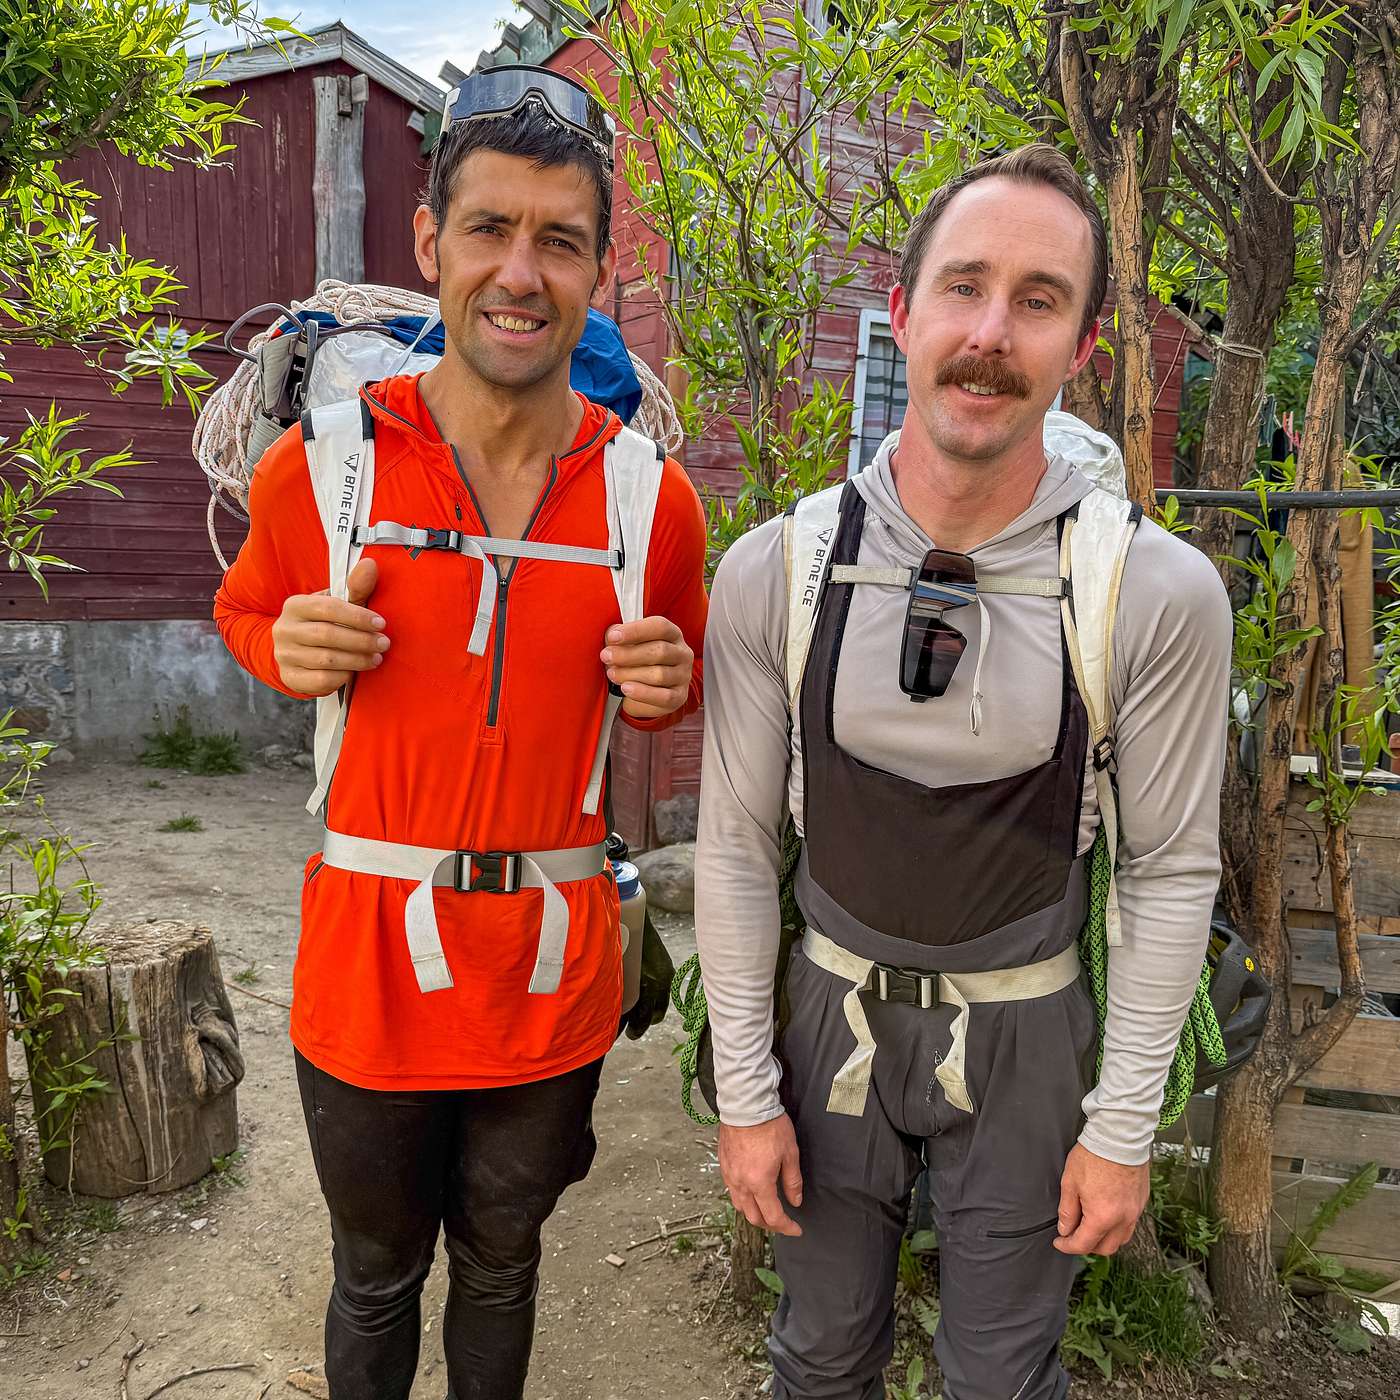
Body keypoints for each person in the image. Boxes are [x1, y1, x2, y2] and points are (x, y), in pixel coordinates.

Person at [694, 144, 1232, 1400]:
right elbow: (729, 842)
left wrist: (1119, 1124)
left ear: (1081, 347)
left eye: (1037, 300)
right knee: (816, 1358)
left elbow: (1165, 869)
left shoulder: (1147, 593)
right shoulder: (779, 569)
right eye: (963, 286)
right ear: (901, 310)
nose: (990, 333)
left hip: (1030, 1036)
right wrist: (741, 1090)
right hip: (825, 1016)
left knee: (1001, 1374)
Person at [215, 67, 707, 1400]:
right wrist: (286, 646)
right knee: (374, 1277)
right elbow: (251, 613)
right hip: (367, 961)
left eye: (559, 239)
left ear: (598, 269)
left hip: (548, 968)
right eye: (490, 228)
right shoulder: (325, 467)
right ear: (431, 245)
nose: (520, 271)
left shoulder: (650, 502)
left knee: (505, 1264)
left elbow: (670, 667)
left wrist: (667, 683)